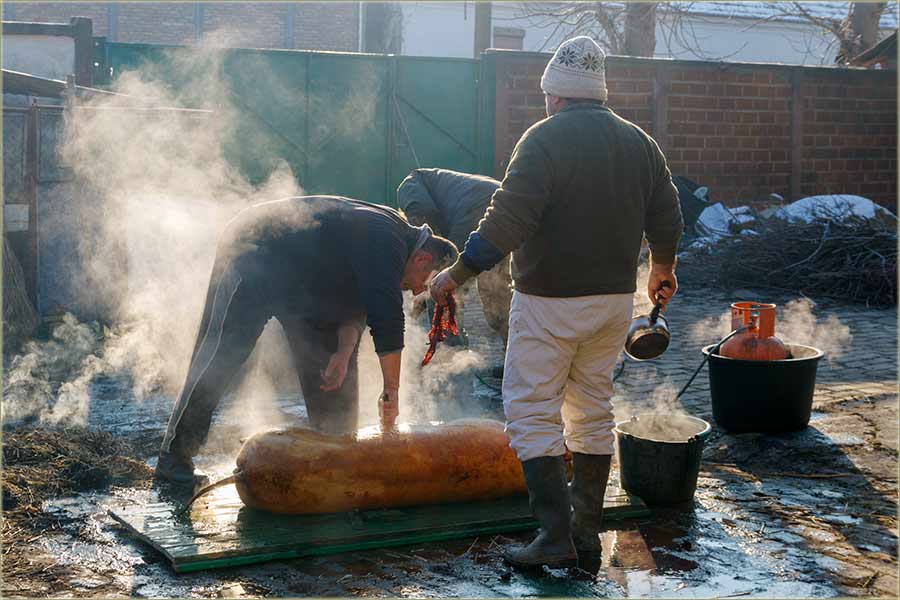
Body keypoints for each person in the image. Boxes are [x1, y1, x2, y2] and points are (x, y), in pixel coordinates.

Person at [429, 36, 684, 569]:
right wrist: (662, 266)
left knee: (530, 412)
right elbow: (667, 210)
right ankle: (585, 532)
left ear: (556, 94)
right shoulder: (639, 142)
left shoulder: (543, 140)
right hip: (613, 305)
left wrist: (457, 272)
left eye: (547, 94)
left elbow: (507, 219)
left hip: (549, 303)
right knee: (592, 411)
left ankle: (553, 535)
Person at [156, 195, 458, 484]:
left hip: (309, 291)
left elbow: (358, 307)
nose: (419, 291)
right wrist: (391, 390)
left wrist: (341, 353)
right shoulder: (388, 238)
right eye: (426, 281)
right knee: (221, 356)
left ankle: (330, 463)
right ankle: (175, 456)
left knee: (336, 400)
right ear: (422, 258)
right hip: (256, 254)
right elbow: (387, 317)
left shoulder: (391, 247)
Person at [397, 168, 512, 357]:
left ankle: (446, 353)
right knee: (496, 292)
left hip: (473, 210)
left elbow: (424, 221)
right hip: (502, 205)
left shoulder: (408, 184)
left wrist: (415, 308)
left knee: (441, 283)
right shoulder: (438, 181)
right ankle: (513, 358)